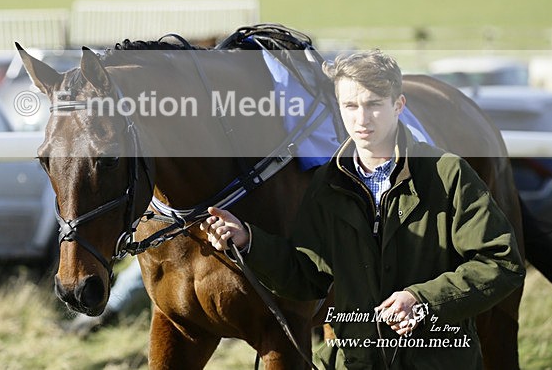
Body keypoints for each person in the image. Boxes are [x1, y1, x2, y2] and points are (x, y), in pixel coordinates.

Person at [200, 49, 525, 369]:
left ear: (398, 105)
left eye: (374, 105)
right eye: (350, 106)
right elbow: (306, 275)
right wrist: (248, 241)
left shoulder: (448, 174)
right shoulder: (326, 183)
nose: (361, 119)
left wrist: (423, 301)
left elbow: (501, 262)